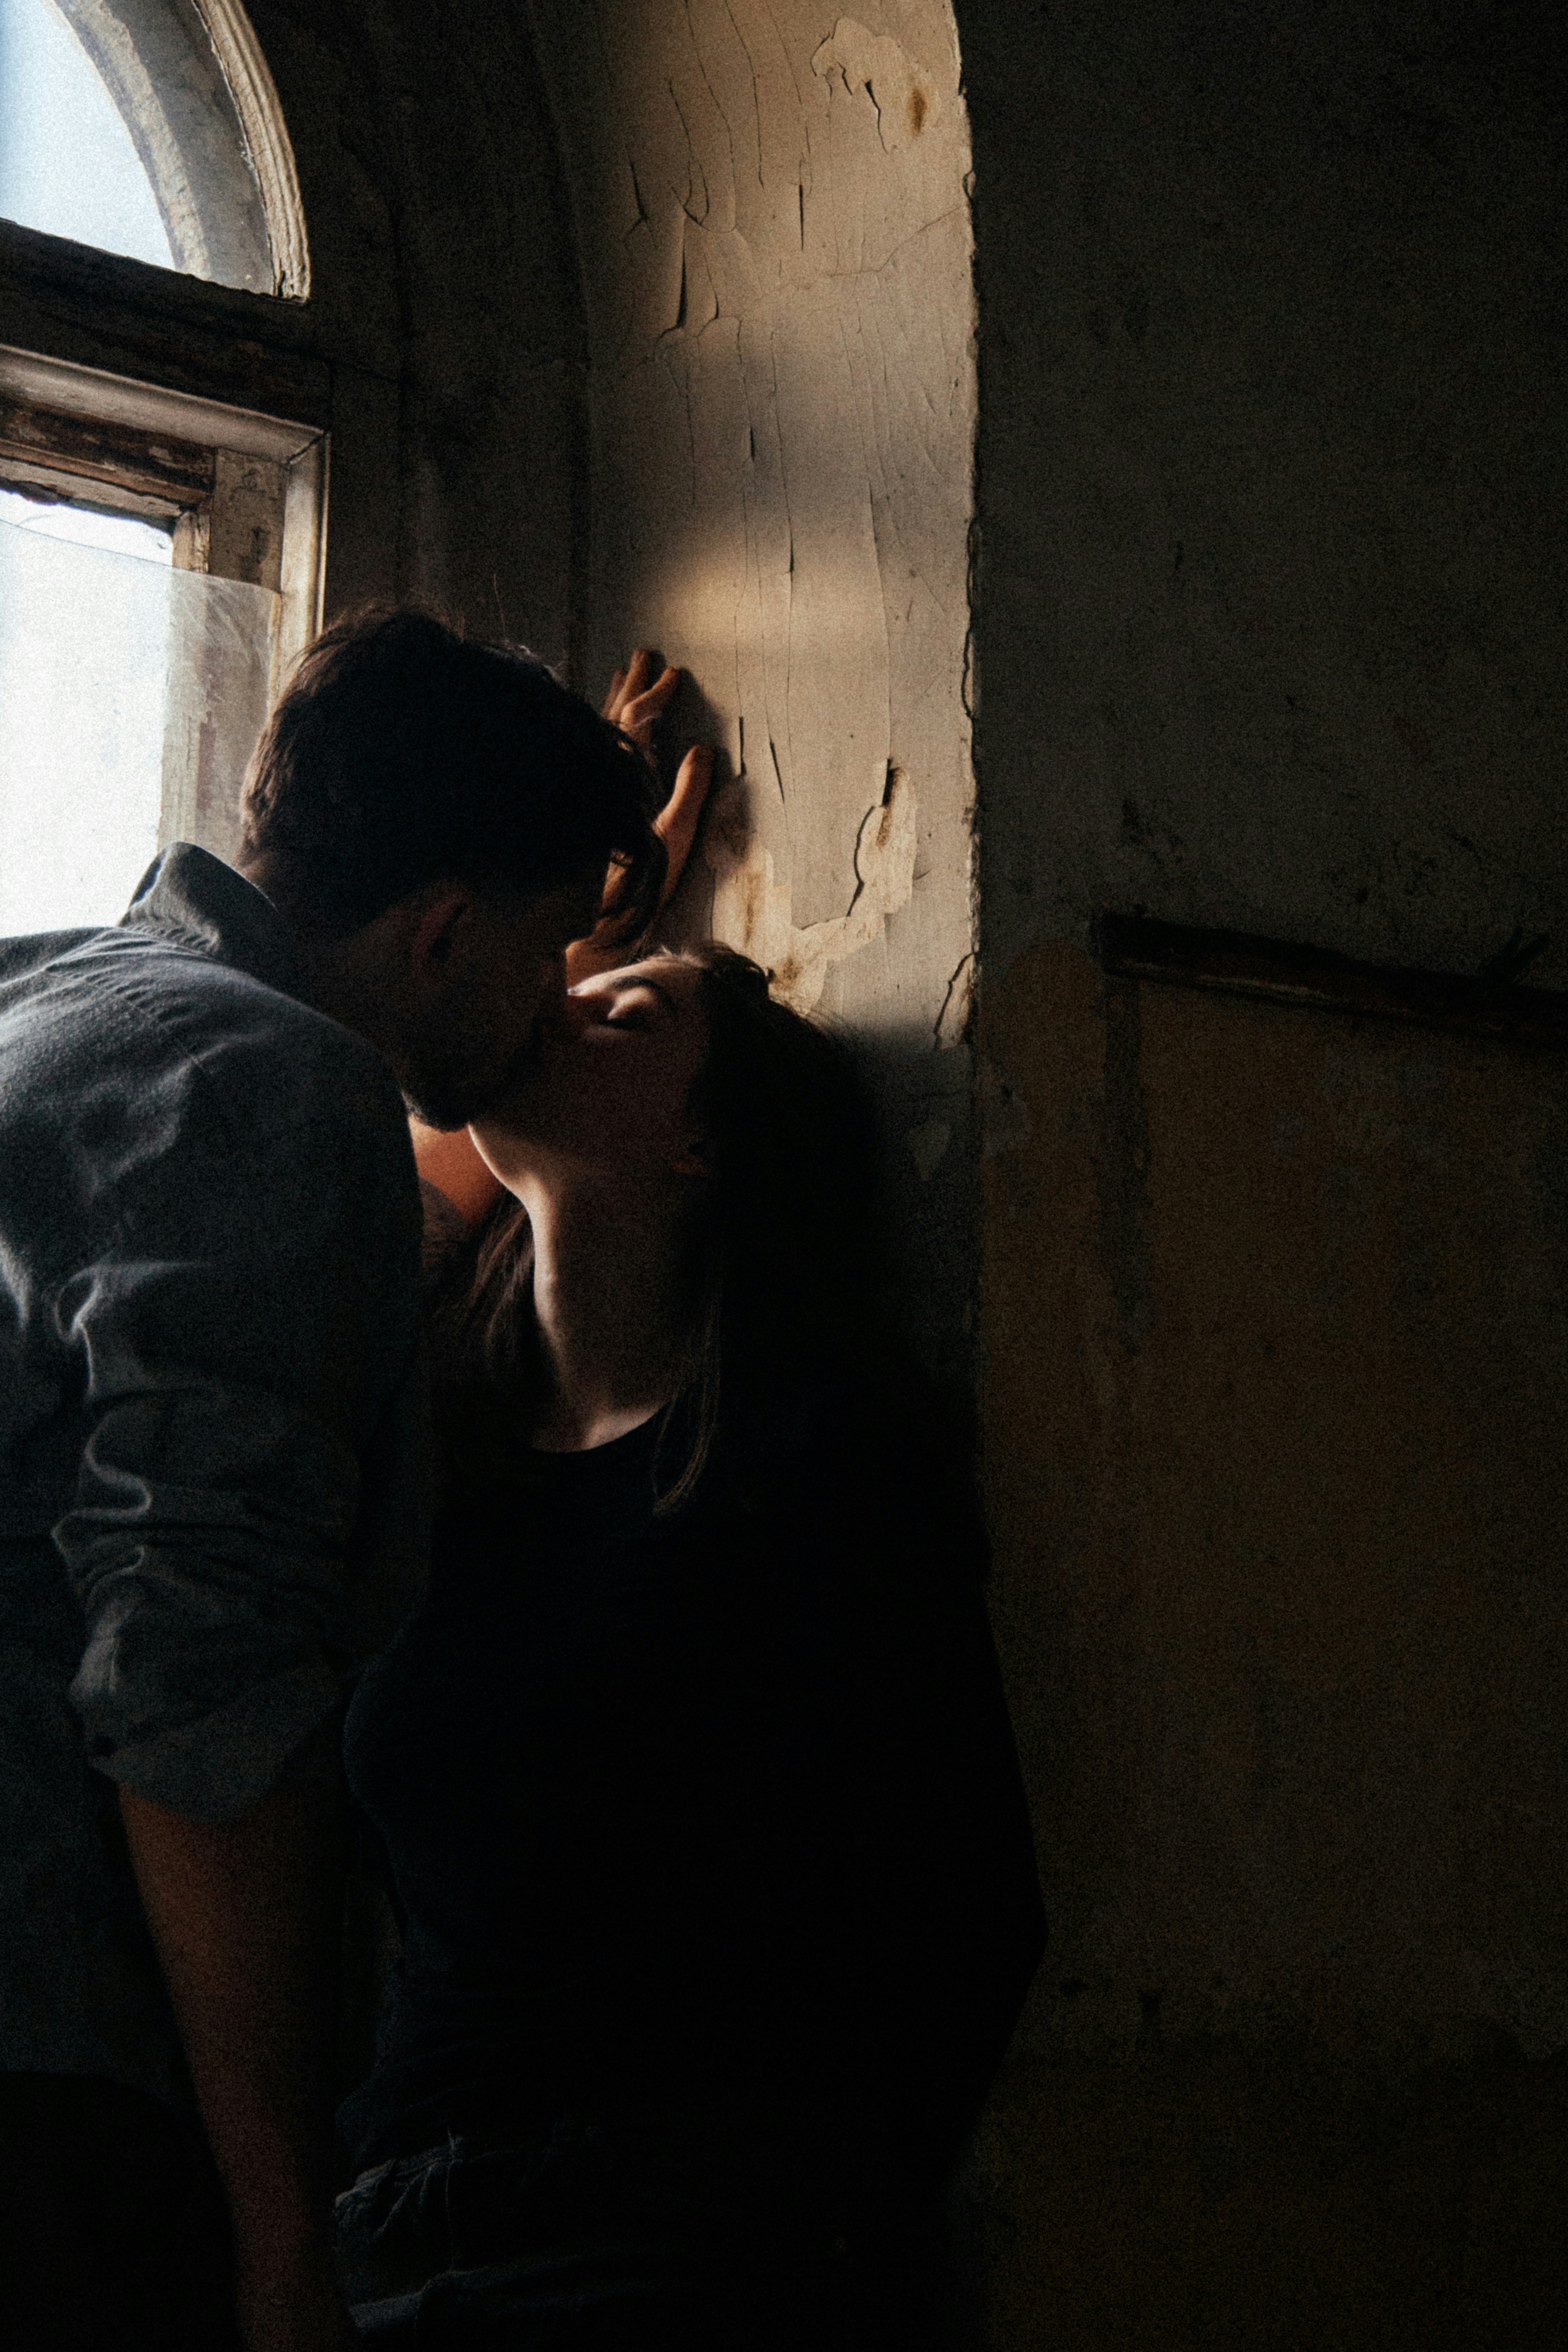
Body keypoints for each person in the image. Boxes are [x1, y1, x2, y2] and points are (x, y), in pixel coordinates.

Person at [0, 610, 708, 2352]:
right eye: (544, 959)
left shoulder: (55, 999)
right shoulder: (274, 1090)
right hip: (35, 2111)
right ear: (448, 925)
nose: (557, 1007)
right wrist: (280, 2238)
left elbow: (302, 1276)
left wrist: (571, 898)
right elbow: (202, 1694)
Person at [334, 943, 1047, 2347]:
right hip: (393, 2241)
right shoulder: (431, 1458)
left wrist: (810, 2244)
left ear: (705, 1141)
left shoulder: (820, 1460)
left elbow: (974, 1910)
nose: (558, 1002)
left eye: (624, 1010)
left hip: (677, 2253)